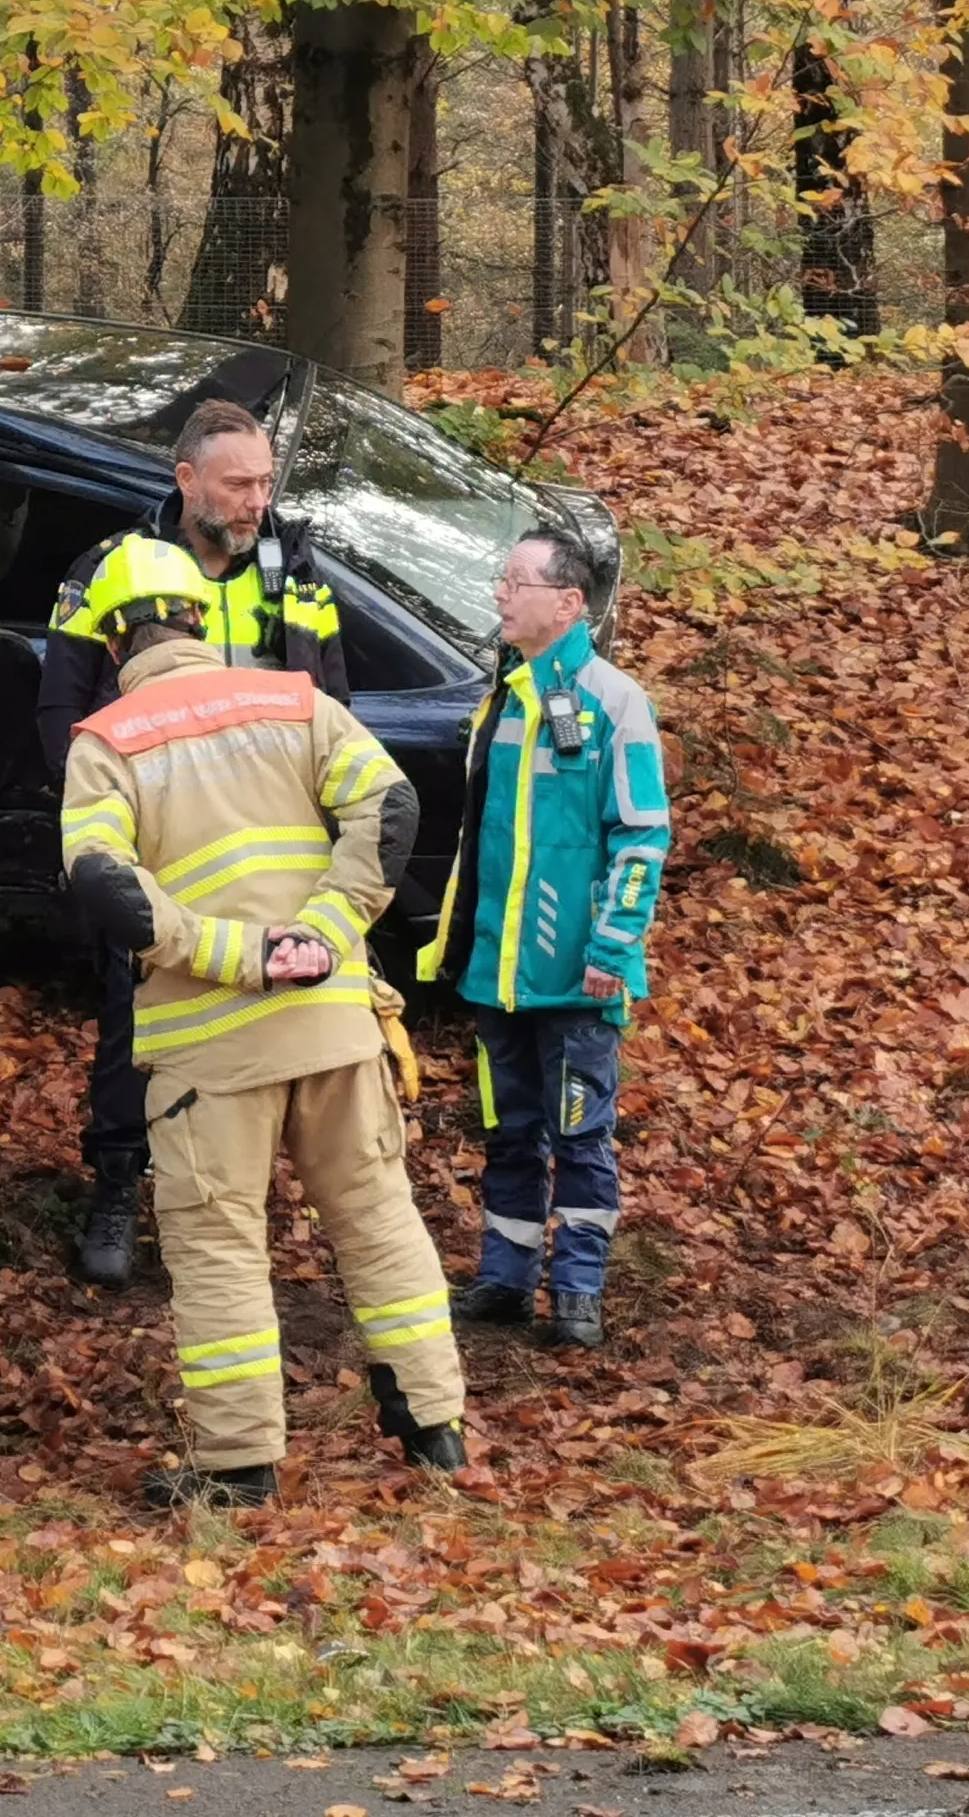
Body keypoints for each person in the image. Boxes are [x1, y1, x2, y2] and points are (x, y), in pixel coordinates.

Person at [57, 536, 465, 1505]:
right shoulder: (295, 700)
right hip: (332, 1021)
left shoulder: (104, 745)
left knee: (218, 1244)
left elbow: (101, 882)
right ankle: (436, 1427)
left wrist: (225, 954)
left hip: (212, 1046)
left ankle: (239, 1467)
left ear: (115, 642)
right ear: (200, 617)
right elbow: (392, 806)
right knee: (377, 1219)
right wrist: (327, 928)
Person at [39, 400, 349, 1286]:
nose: (259, 501)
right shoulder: (110, 569)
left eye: (265, 482)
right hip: (158, 839)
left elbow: (333, 699)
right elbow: (61, 707)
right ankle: (117, 1185)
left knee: (277, 1013)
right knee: (133, 1021)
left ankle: (235, 1199)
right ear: (187, 482)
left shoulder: (296, 572)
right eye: (239, 484)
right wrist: (103, 827)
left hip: (274, 845)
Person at [424, 531, 668, 1351]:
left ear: (568, 604)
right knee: (508, 1130)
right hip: (497, 973)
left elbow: (640, 836)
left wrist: (611, 949)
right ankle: (505, 1278)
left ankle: (577, 1291)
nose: (499, 594)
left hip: (578, 978)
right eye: (501, 578)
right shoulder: (505, 697)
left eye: (516, 581)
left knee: (581, 1133)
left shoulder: (613, 701)